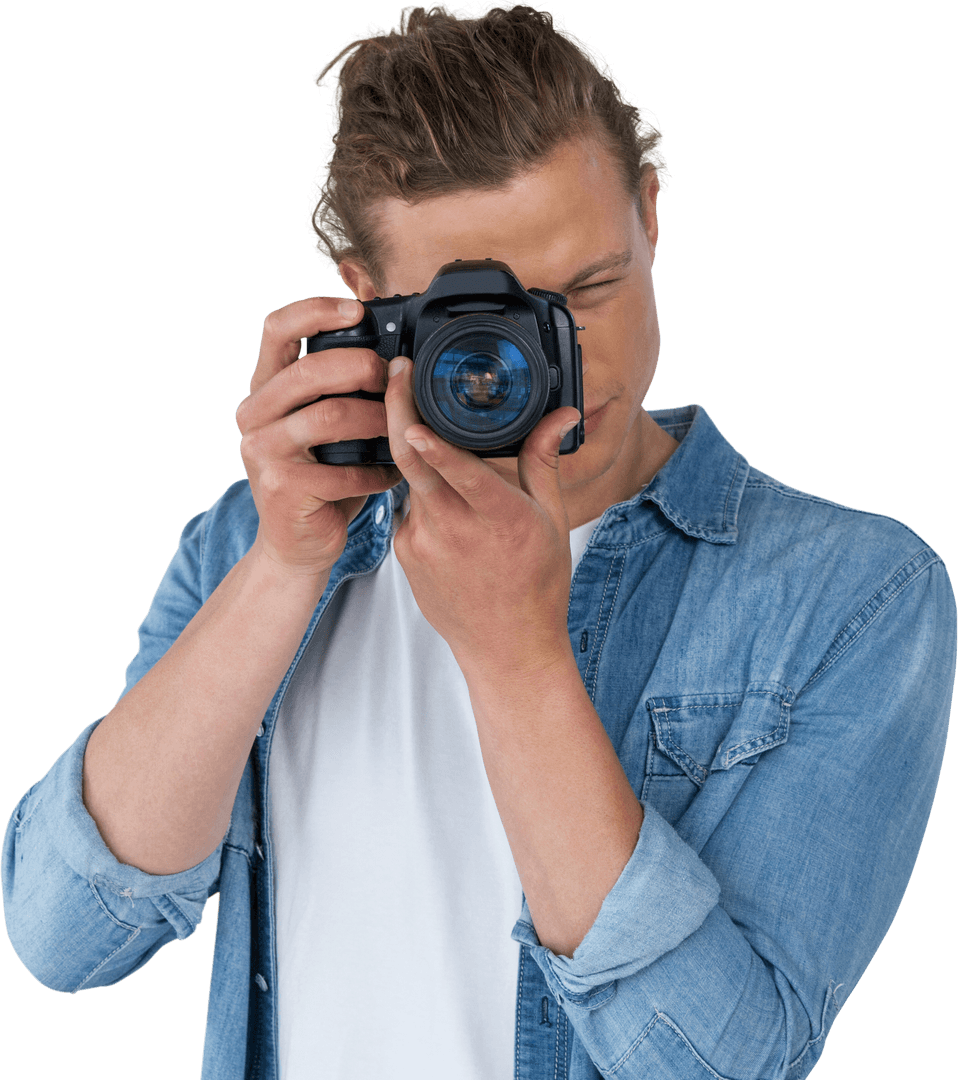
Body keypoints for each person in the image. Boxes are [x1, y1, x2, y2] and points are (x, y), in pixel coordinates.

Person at [2, 4, 955, 1079]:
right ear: (367, 301)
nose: (560, 360)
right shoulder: (250, 545)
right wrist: (283, 565)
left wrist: (517, 654)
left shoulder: (851, 595)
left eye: (590, 287)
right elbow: (63, 939)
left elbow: (718, 1064)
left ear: (650, 212)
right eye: (486, 316)